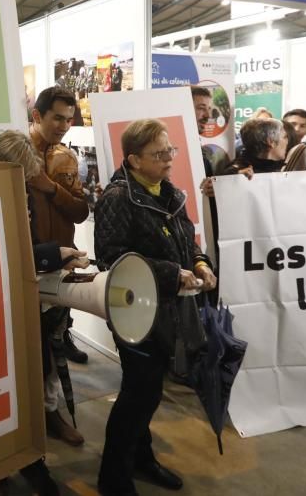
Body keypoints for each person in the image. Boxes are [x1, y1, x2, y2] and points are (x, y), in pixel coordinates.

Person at [94, 118, 216, 496]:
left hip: (167, 309)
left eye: (170, 151)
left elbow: (187, 239)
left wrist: (199, 264)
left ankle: (140, 459)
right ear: (133, 159)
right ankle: (113, 479)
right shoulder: (117, 198)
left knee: (146, 392)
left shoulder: (168, 191)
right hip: (135, 310)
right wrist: (171, 273)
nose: (168, 159)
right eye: (159, 153)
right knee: (138, 394)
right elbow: (111, 259)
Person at [0, 130, 84, 496]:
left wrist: (54, 254)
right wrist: (52, 254)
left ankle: (29, 459)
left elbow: (25, 241)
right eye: (22, 171)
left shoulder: (22, 190)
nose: (27, 178)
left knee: (33, 376)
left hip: (26, 298)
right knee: (1, 386)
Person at [29, 86, 90, 446]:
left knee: (54, 341)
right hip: (29, 260)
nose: (65, 126)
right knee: (31, 346)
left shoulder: (67, 158)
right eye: (58, 118)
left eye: (69, 119)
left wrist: (50, 187)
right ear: (37, 116)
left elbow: (81, 211)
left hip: (61, 260)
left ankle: (52, 413)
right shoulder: (16, 152)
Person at [223, 118, 288, 177]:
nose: (287, 142)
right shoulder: (238, 174)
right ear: (271, 142)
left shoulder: (286, 169)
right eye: (285, 137)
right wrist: (236, 178)